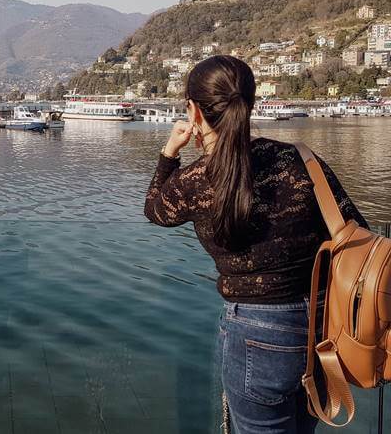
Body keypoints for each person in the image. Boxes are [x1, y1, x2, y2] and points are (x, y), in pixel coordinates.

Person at [144, 55, 366, 433]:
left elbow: (155, 210)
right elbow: (353, 229)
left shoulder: (196, 181)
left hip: (255, 332)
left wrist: (169, 153)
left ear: (194, 111)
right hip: (326, 327)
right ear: (250, 102)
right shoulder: (300, 160)